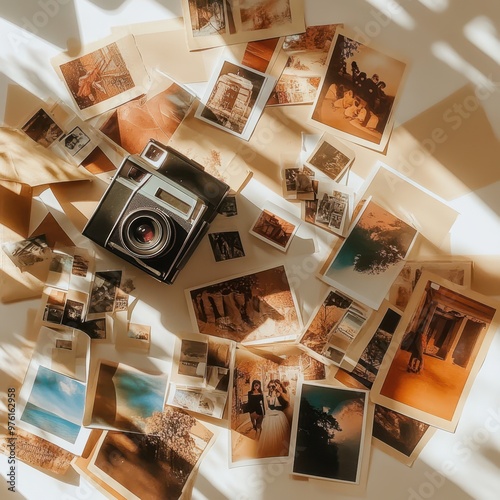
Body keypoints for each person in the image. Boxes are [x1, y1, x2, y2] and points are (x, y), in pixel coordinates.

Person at [257, 379, 291, 457]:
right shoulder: (270, 394)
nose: (272, 387)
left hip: (279, 417)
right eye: (270, 386)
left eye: (274, 385)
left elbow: (287, 400)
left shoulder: (284, 393)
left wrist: (280, 392)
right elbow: (268, 406)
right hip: (270, 417)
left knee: (280, 437)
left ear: (279, 385)